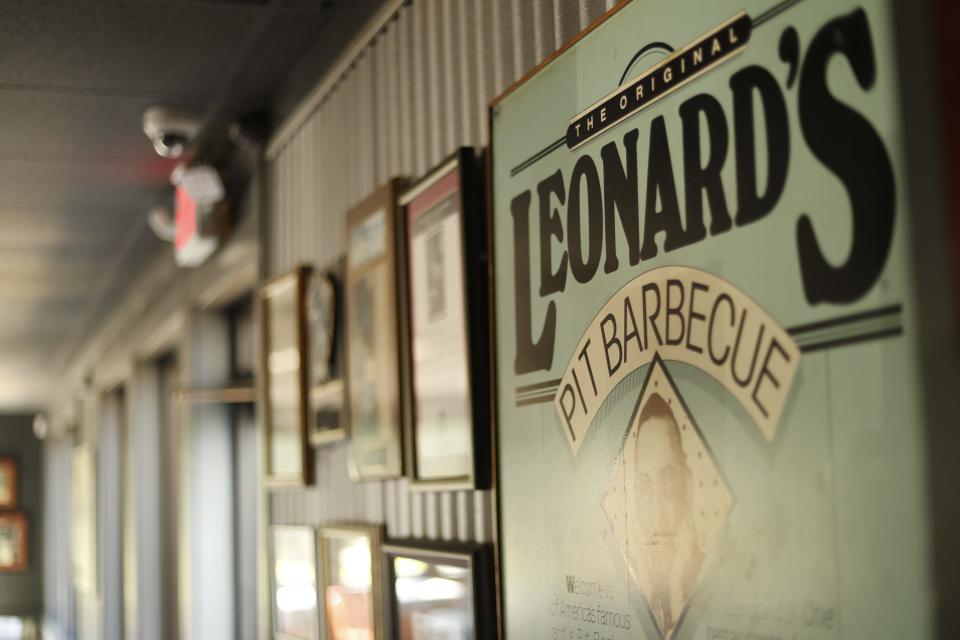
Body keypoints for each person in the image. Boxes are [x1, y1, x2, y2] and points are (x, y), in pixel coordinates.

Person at [628, 392, 704, 638]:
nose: (657, 513)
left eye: (668, 483)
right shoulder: (633, 585)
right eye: (645, 487)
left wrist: (677, 589)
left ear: (688, 486)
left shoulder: (714, 580)